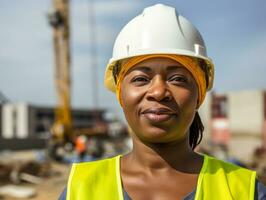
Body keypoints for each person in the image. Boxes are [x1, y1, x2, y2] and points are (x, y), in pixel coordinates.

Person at [59, 4, 266, 200]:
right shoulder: (79, 188)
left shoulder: (244, 190)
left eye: (177, 79)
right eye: (141, 79)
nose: (158, 92)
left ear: (199, 95)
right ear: (121, 94)